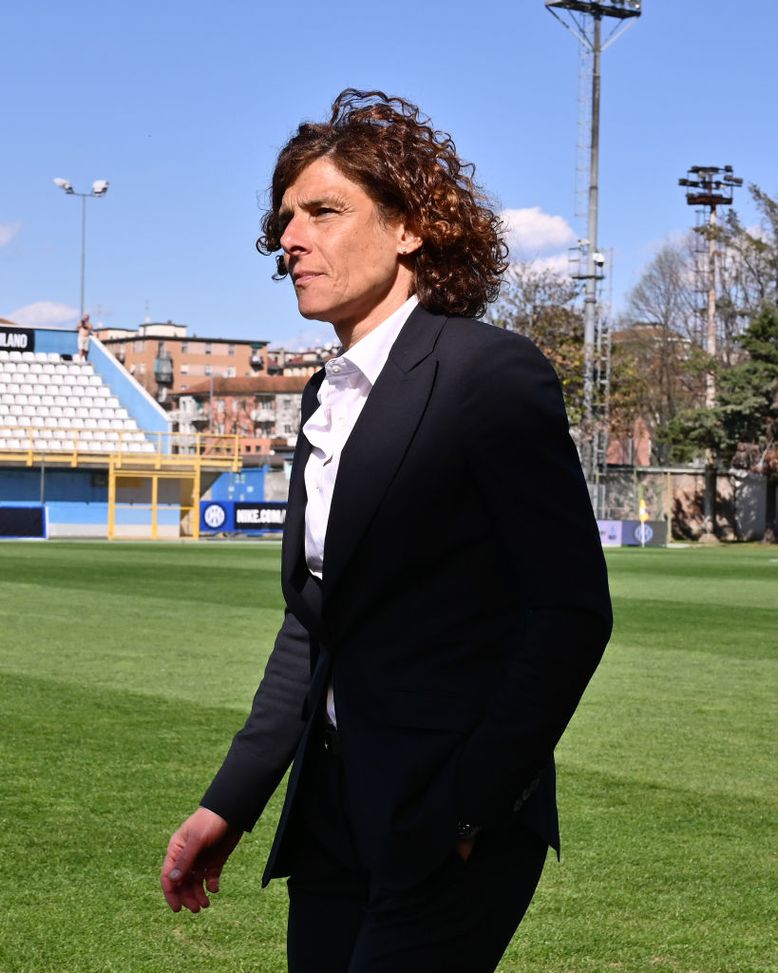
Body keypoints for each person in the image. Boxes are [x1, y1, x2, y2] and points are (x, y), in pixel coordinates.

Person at [161, 89, 612, 973]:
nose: (292, 237)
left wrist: (472, 805)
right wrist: (232, 800)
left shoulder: (490, 374)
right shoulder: (321, 397)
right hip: (331, 814)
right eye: (285, 216)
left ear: (409, 227)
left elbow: (570, 612)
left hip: (446, 818)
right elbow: (315, 622)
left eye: (324, 210)